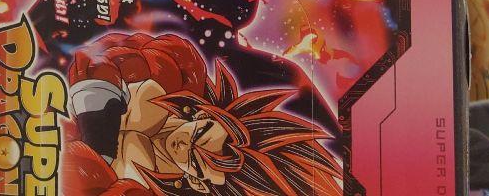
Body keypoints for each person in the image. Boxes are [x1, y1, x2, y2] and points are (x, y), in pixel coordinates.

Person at [61, 31, 341, 195]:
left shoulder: (142, 187)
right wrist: (102, 117)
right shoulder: (178, 74)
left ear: (199, 184)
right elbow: (92, 62)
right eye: (200, 134)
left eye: (195, 161)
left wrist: (101, 154)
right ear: (205, 117)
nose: (184, 146)